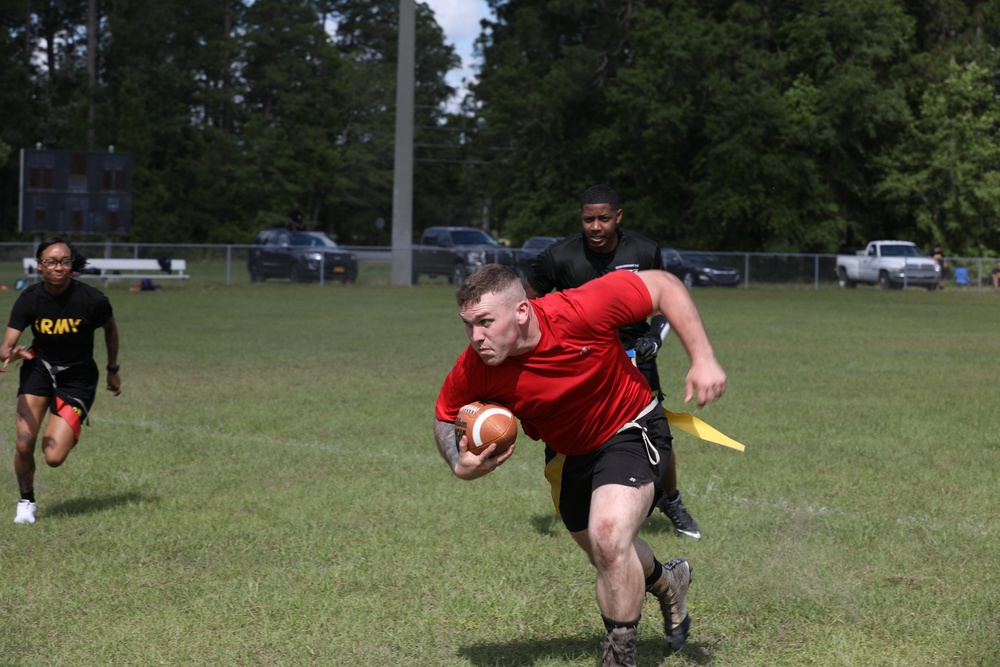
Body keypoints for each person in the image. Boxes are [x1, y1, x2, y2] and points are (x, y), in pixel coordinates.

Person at [433, 263, 727, 665]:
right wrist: (458, 460)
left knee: (609, 538)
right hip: (569, 453)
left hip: (631, 426)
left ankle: (618, 658)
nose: (476, 337)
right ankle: (668, 581)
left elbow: (663, 286)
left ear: (521, 312)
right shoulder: (477, 365)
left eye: (485, 322)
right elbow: (445, 414)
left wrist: (703, 357)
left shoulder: (579, 310)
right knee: (608, 554)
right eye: (468, 325)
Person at [524, 184, 701, 539]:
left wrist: (654, 339)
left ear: (618, 217)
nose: (595, 226)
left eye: (604, 218)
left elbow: (666, 301)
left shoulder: (644, 249)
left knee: (657, 431)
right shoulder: (557, 257)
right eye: (588, 219)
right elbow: (525, 308)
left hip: (635, 356)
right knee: (570, 428)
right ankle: (578, 496)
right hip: (580, 361)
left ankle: (671, 499)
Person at [1, 238, 121, 525]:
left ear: (72, 264)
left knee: (53, 456)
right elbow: (6, 345)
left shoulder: (92, 300)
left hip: (78, 376)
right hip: (39, 368)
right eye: (51, 262)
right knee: (24, 443)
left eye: (65, 261)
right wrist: (11, 353)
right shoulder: (30, 298)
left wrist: (112, 368)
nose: (59, 267)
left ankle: (67, 422)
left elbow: (111, 329)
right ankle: (26, 502)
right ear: (40, 265)